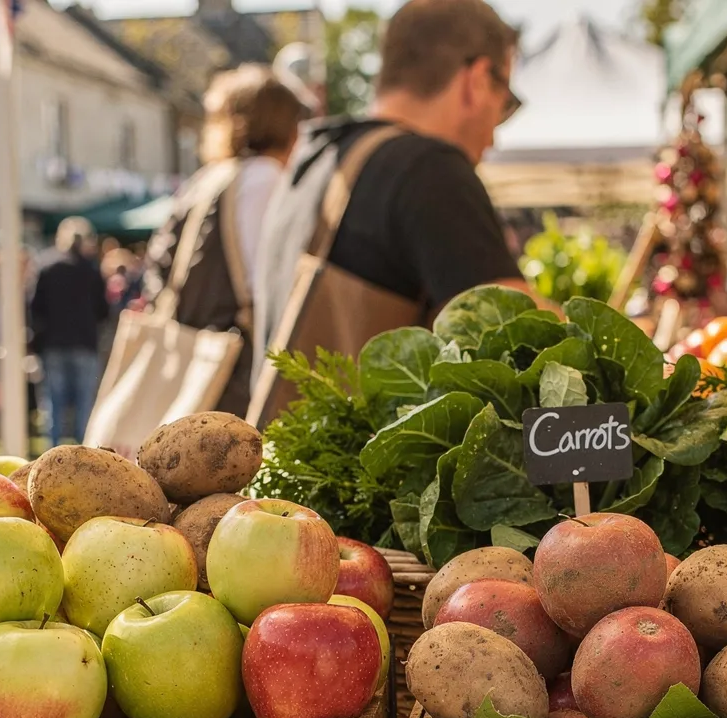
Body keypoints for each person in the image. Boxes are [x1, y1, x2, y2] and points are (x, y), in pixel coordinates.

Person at [251, 0, 531, 420]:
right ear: (475, 80)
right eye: (505, 100)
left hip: (282, 472)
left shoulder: (315, 157)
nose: (496, 136)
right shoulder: (427, 168)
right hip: (370, 482)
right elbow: (523, 335)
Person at [146, 64, 309, 415]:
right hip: (233, 366)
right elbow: (261, 283)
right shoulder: (262, 178)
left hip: (193, 353)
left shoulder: (208, 179)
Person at [28, 217, 107, 445]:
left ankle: (50, 458)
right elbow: (103, 310)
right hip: (84, 343)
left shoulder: (46, 265)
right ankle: (85, 456)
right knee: (84, 405)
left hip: (53, 344)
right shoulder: (90, 269)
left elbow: (35, 309)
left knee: (53, 404)